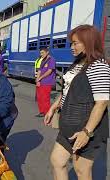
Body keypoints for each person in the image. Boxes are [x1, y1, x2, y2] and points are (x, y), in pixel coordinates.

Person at [44, 25, 109, 180]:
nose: (71, 47)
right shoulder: (78, 63)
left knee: (81, 170)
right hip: (68, 126)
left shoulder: (99, 66)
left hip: (85, 129)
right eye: (71, 43)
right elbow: (67, 90)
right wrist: (53, 107)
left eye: (75, 43)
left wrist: (87, 132)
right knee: (57, 161)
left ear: (89, 42)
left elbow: (102, 103)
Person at [35, 47, 56, 117]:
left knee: (45, 98)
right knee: (39, 97)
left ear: (47, 52)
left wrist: (40, 78)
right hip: (40, 82)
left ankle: (47, 113)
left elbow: (49, 71)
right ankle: (41, 111)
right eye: (40, 53)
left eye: (42, 53)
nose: (41, 54)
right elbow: (40, 70)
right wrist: (37, 79)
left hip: (47, 82)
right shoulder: (43, 60)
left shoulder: (51, 60)